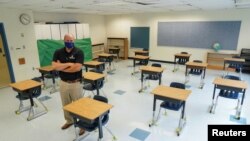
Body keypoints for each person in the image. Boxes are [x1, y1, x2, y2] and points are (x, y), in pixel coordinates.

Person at [52, 33, 85, 135]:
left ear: (73, 41)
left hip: (76, 83)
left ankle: (82, 124)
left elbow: (78, 68)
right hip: (63, 83)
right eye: (68, 41)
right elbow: (54, 66)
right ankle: (69, 121)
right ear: (64, 41)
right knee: (65, 104)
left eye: (71, 41)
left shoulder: (79, 52)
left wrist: (61, 66)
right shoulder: (58, 52)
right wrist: (69, 64)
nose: (69, 42)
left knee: (79, 105)